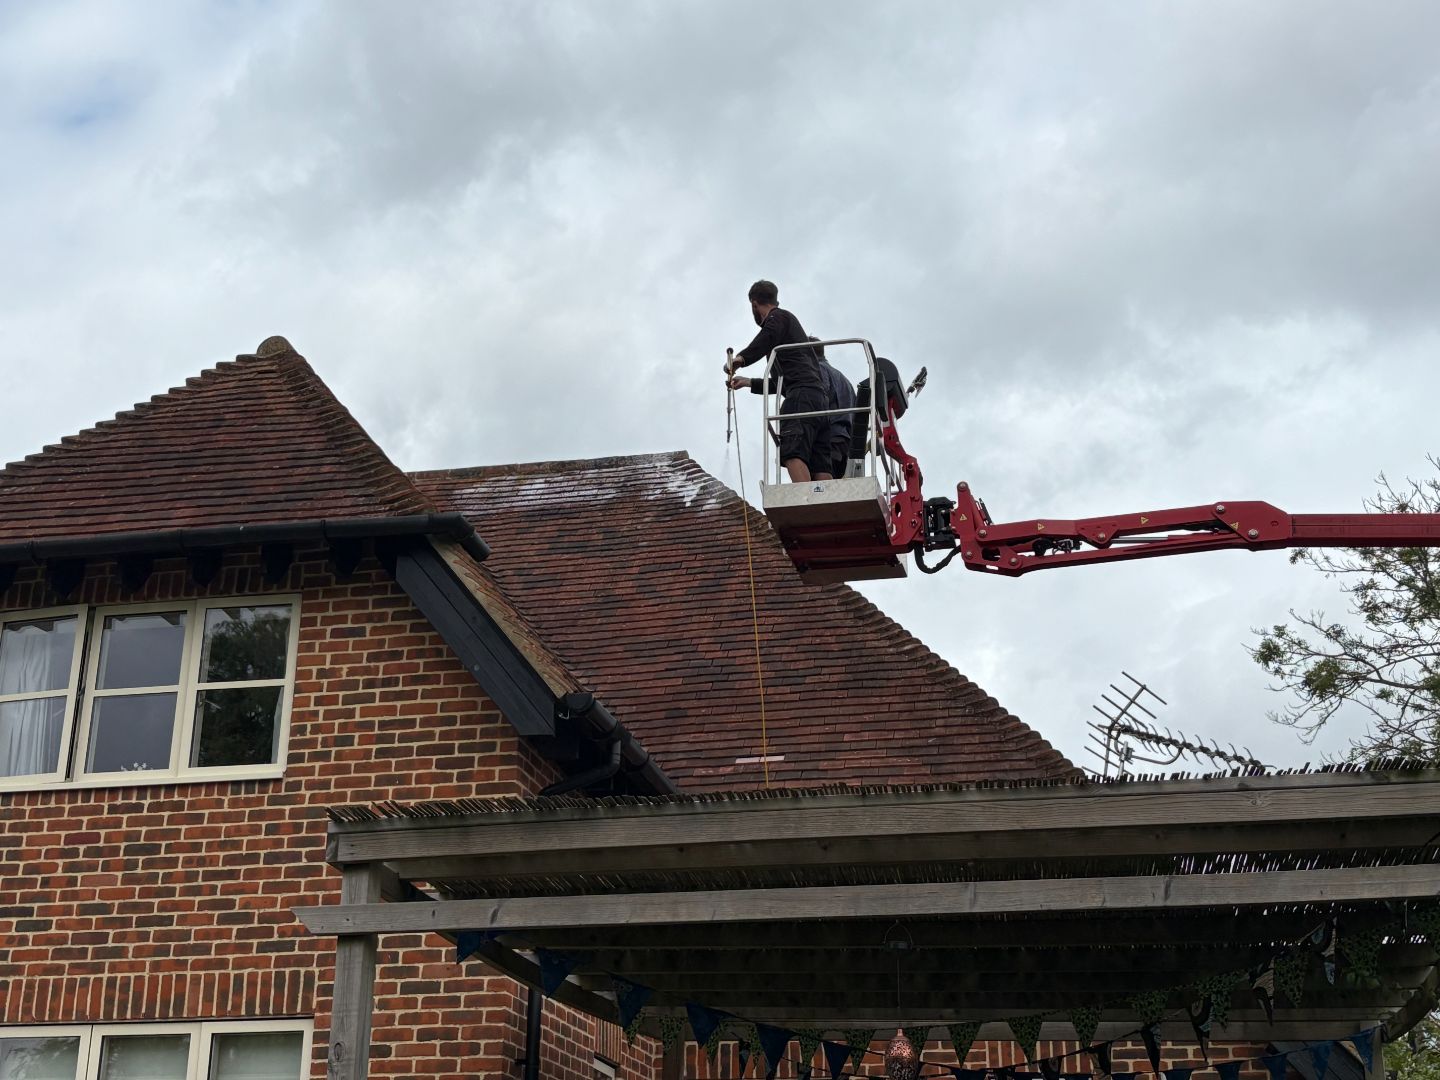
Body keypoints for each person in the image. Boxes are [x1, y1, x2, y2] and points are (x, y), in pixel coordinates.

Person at [725, 280, 826, 483]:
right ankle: (829, 511)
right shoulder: (789, 331)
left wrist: (741, 359)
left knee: (792, 453)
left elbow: (767, 336)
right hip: (818, 398)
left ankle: (806, 507)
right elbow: (779, 384)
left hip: (801, 396)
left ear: (754, 304)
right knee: (819, 462)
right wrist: (747, 382)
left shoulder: (777, 318)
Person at [808, 336, 856, 480]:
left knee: (819, 488)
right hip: (844, 441)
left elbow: (818, 398)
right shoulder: (844, 379)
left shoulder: (817, 369)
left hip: (828, 438)